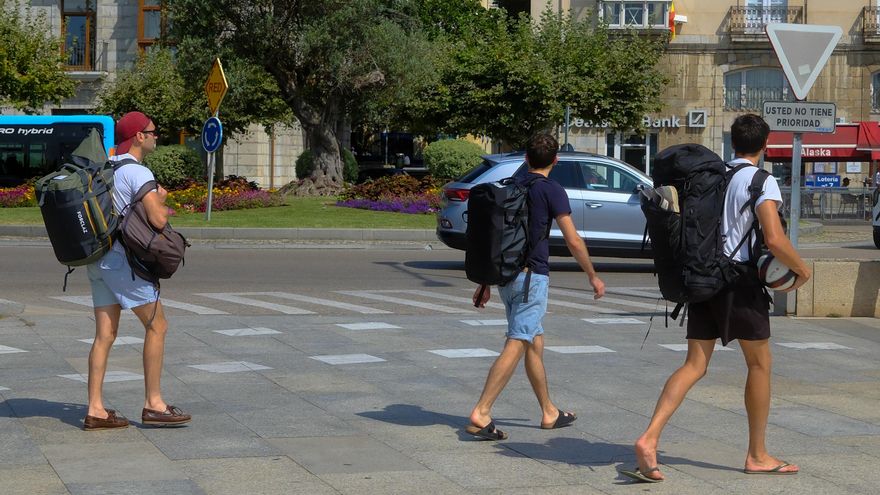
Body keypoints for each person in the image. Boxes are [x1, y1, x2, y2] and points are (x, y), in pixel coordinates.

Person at [623, 114, 811, 482]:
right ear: (766, 145)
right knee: (760, 365)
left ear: (732, 142)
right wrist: (803, 270)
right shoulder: (761, 181)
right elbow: (773, 238)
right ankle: (756, 454)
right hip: (738, 283)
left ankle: (650, 437)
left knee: (694, 364)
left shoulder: (714, 177)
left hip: (703, 276)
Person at [466, 133, 606, 441]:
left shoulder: (513, 186)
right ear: (555, 161)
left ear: (527, 159)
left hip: (507, 277)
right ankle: (482, 411)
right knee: (517, 341)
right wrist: (592, 275)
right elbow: (573, 239)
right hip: (533, 278)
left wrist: (485, 282)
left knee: (533, 341)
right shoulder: (552, 190)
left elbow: (497, 236)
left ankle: (548, 411)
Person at [83, 111, 191, 430]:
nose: (157, 136)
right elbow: (158, 220)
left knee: (105, 334)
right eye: (153, 131)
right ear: (138, 137)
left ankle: (95, 409)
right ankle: (154, 404)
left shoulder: (107, 166)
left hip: (97, 258)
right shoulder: (138, 172)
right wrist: (161, 198)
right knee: (158, 325)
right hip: (122, 262)